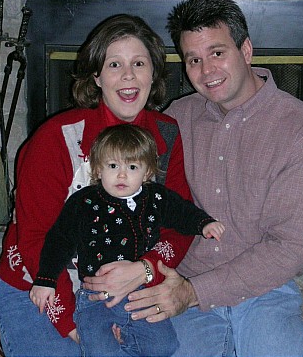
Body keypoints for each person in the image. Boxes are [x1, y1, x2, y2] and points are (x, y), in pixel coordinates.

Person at [97, 0, 303, 357]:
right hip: (183, 279)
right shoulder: (176, 119)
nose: (207, 71)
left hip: (264, 288)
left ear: (245, 50)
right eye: (194, 59)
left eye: (217, 53)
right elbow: (139, 206)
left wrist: (194, 292)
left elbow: (290, 248)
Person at [0, 14, 196, 357]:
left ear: (153, 74)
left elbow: (179, 223)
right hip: (39, 284)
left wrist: (145, 269)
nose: (128, 75)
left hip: (127, 287)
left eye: (139, 63)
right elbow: (36, 239)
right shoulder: (56, 138)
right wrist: (76, 327)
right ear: (97, 77)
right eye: (114, 64)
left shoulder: (166, 134)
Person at [30, 123, 224, 357]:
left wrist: (204, 224)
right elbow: (59, 240)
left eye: (132, 167)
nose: (122, 175)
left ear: (147, 172)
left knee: (164, 346)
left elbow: (182, 212)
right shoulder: (84, 202)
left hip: (142, 293)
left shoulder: (156, 197)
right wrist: (46, 279)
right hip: (95, 297)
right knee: (99, 349)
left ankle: (128, 344)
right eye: (113, 166)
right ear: (98, 170)